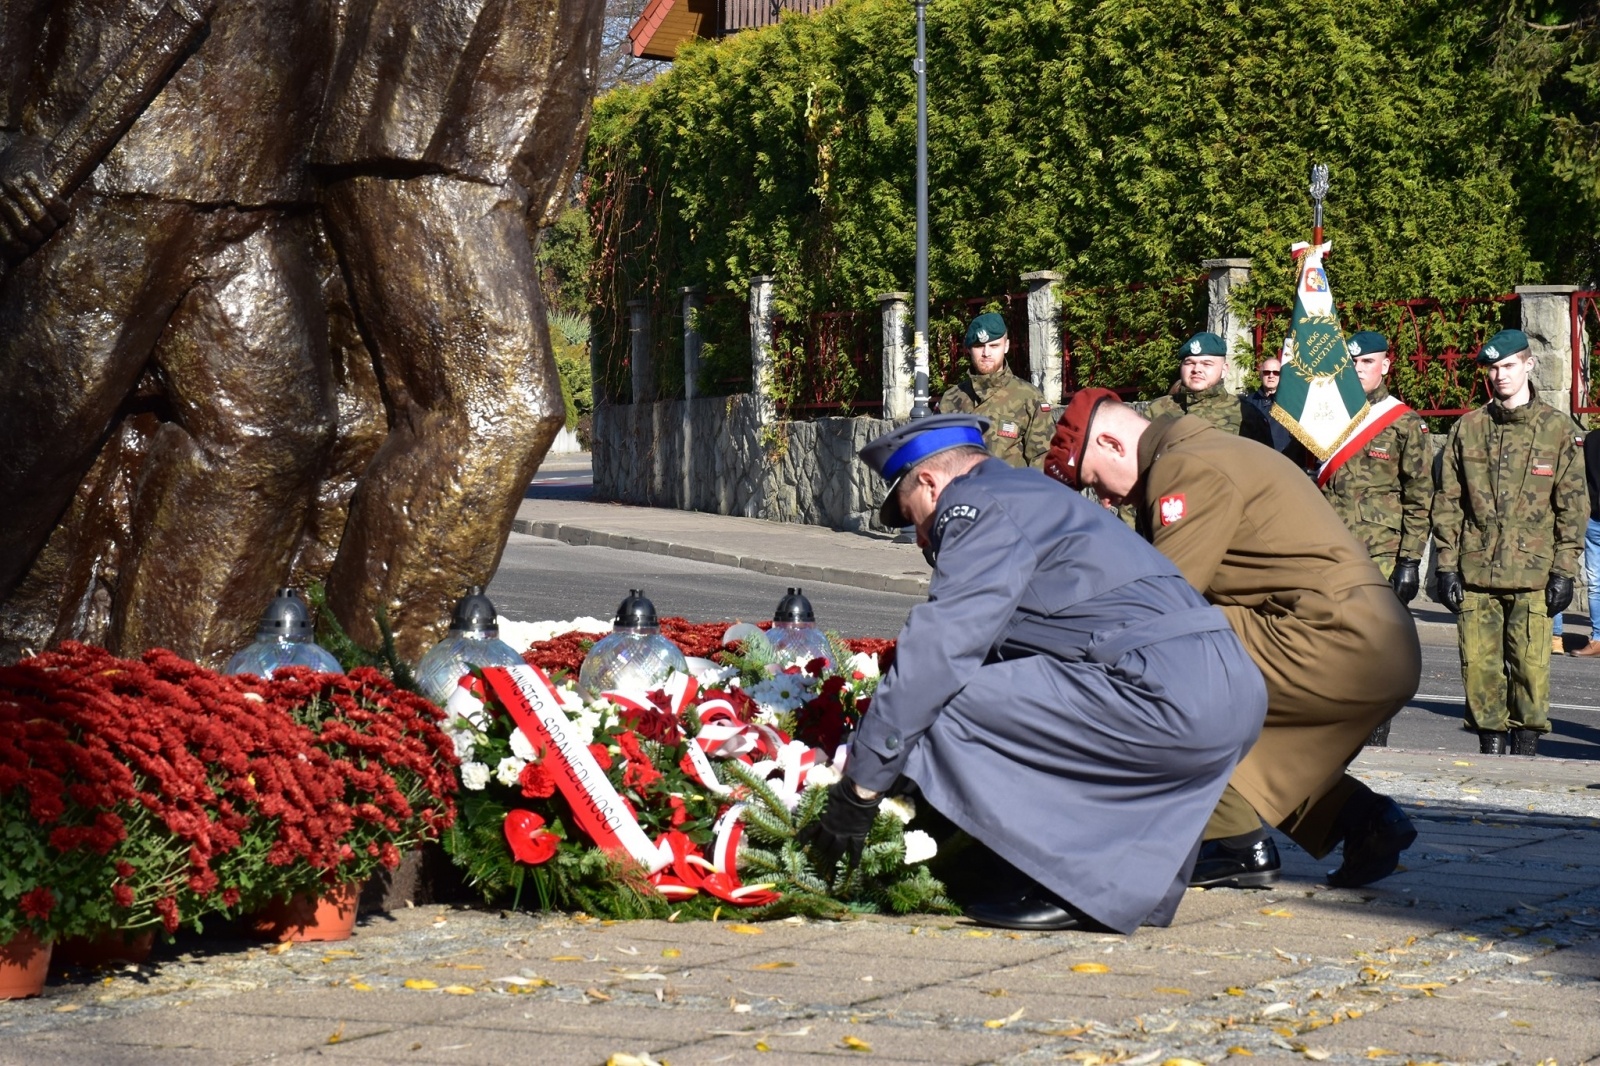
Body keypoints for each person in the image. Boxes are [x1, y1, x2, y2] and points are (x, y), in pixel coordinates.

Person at [803, 414, 1268, 933]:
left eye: (915, 518)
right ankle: (1098, 880)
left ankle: (1068, 884)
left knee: (944, 702)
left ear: (931, 484)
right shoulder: (1037, 495)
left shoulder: (975, 506)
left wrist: (861, 788)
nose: (920, 539)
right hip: (1231, 688)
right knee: (1009, 692)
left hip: (1165, 693)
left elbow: (940, 650)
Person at [1045, 389, 1422, 890]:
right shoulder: (1212, 449)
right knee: (1252, 746)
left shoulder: (1184, 468)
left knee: (1152, 669)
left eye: (1095, 482)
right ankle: (1361, 819)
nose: (1107, 500)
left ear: (1112, 444)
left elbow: (1162, 607)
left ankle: (1231, 843)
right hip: (1378, 642)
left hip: (1334, 639)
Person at [1432, 330, 1586, 756]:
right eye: (1493, 368)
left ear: (1528, 365)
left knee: (1530, 672)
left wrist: (1564, 571)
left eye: (1508, 366)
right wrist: (1446, 566)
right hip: (1476, 572)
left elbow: (1572, 506)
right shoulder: (1468, 428)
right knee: (1479, 673)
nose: (1500, 375)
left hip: (1533, 574)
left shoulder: (1557, 429)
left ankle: (1526, 756)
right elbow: (1448, 502)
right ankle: (1490, 755)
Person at [936, 312, 1054, 468]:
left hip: (1008, 483)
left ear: (1006, 346)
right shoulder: (950, 399)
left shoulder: (1029, 397)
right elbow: (936, 459)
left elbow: (1044, 460)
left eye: (994, 346)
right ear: (969, 349)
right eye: (979, 346)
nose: (986, 353)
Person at [1147, 332, 1274, 446]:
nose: (1196, 369)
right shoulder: (1156, 409)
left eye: (1206, 364)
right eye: (1189, 363)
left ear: (1224, 370)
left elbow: (1265, 461)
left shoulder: (1246, 414)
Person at [1574, 428, 1600, 657]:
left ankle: (1598, 638)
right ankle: (1598, 638)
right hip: (1593, 519)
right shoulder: (1591, 439)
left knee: (1596, 582)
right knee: (1595, 582)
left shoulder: (1591, 439)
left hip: (1593, 516)